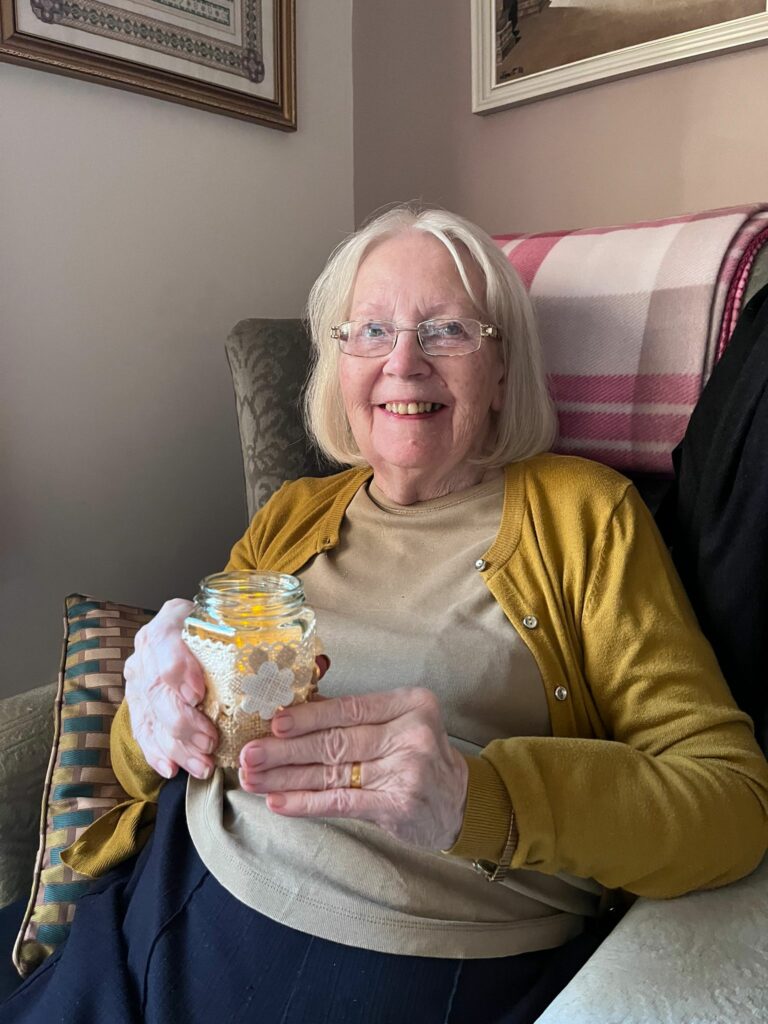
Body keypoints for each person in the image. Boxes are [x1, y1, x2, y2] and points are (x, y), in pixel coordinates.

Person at [3, 206, 768, 1023]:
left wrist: (480, 796)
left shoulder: (587, 515)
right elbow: (145, 764)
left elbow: (729, 801)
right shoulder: (293, 514)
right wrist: (151, 713)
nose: (403, 362)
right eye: (371, 330)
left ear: (502, 369)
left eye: (447, 331)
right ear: (339, 364)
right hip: (162, 889)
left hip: (400, 958)